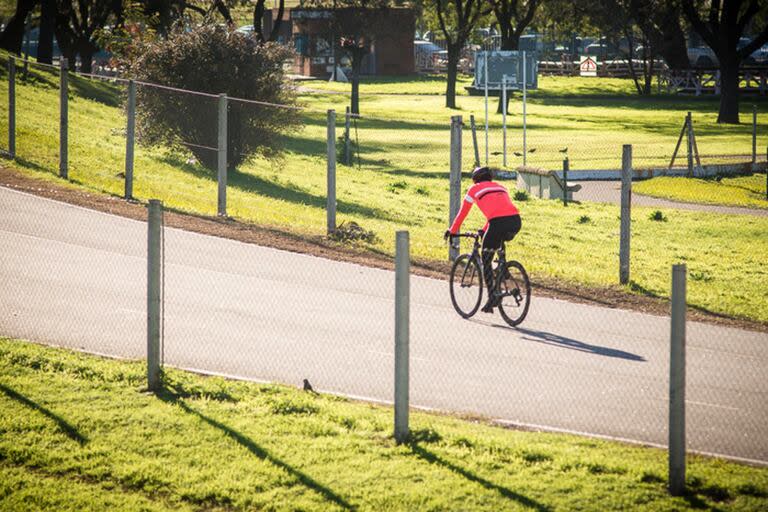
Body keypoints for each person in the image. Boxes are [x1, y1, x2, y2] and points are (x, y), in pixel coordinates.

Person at [444, 166, 522, 313]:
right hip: (515, 221)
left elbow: (462, 213)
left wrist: (452, 230)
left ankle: (492, 296)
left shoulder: (474, 189)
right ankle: (506, 277)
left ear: (475, 179)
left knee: (486, 258)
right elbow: (500, 210)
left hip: (497, 223)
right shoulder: (500, 187)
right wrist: (485, 229)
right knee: (497, 252)